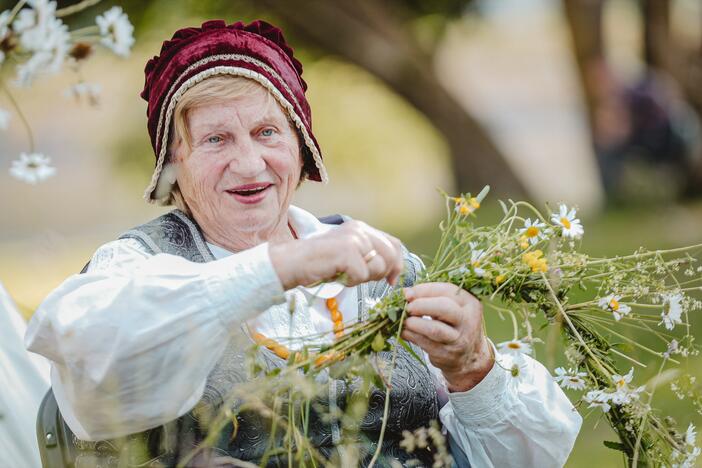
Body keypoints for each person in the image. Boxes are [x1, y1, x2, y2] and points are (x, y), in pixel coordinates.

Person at [26, 19, 581, 467]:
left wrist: (473, 368)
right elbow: (93, 366)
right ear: (173, 166)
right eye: (216, 139)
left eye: (267, 132)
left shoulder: (379, 265)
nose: (249, 163)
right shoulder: (136, 269)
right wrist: (280, 267)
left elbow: (528, 458)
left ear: (300, 145)